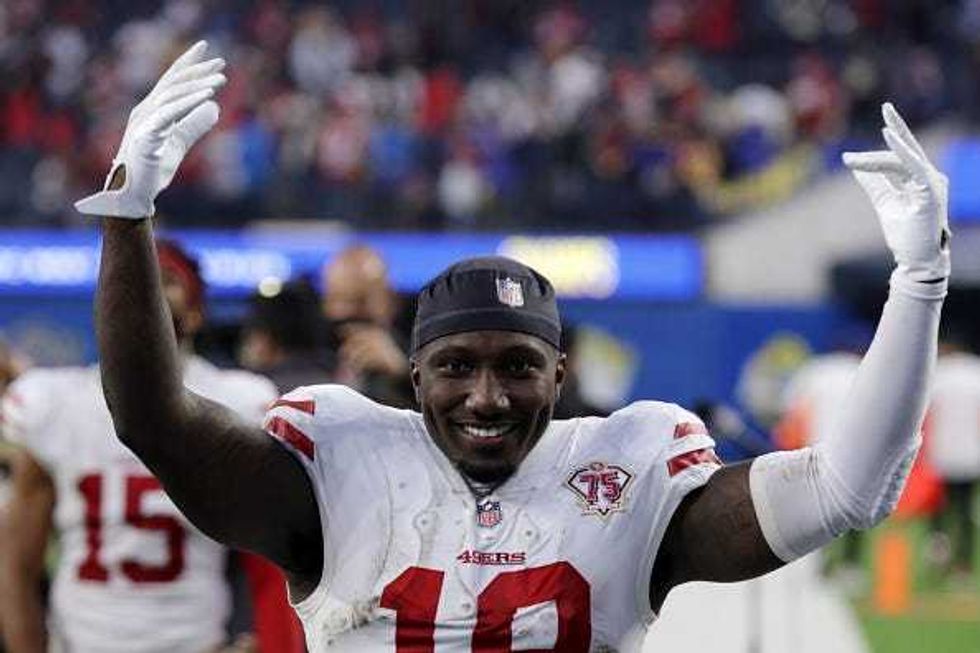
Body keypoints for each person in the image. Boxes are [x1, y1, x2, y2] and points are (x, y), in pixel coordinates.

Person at [77, 42, 949, 652]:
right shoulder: (341, 456)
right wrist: (129, 213)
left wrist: (919, 280)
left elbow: (845, 488)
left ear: (559, 374)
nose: (486, 396)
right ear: (414, 374)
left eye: (517, 367)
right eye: (457, 366)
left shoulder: (627, 469)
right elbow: (153, 417)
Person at [0, 238, 278, 652]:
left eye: (164, 279)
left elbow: (271, 556)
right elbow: (17, 567)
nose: (140, 287)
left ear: (197, 311)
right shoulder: (56, 403)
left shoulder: (236, 402)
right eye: (124, 278)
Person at [320, 244, 415, 407]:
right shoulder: (304, 352)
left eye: (360, 300)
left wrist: (403, 376)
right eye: (336, 299)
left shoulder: (421, 355)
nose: (345, 311)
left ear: (389, 301)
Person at [924, 331, 980, 576]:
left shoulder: (939, 373)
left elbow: (925, 415)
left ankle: (939, 549)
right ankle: (963, 564)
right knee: (965, 509)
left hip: (941, 454)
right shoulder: (975, 372)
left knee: (938, 508)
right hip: (971, 454)